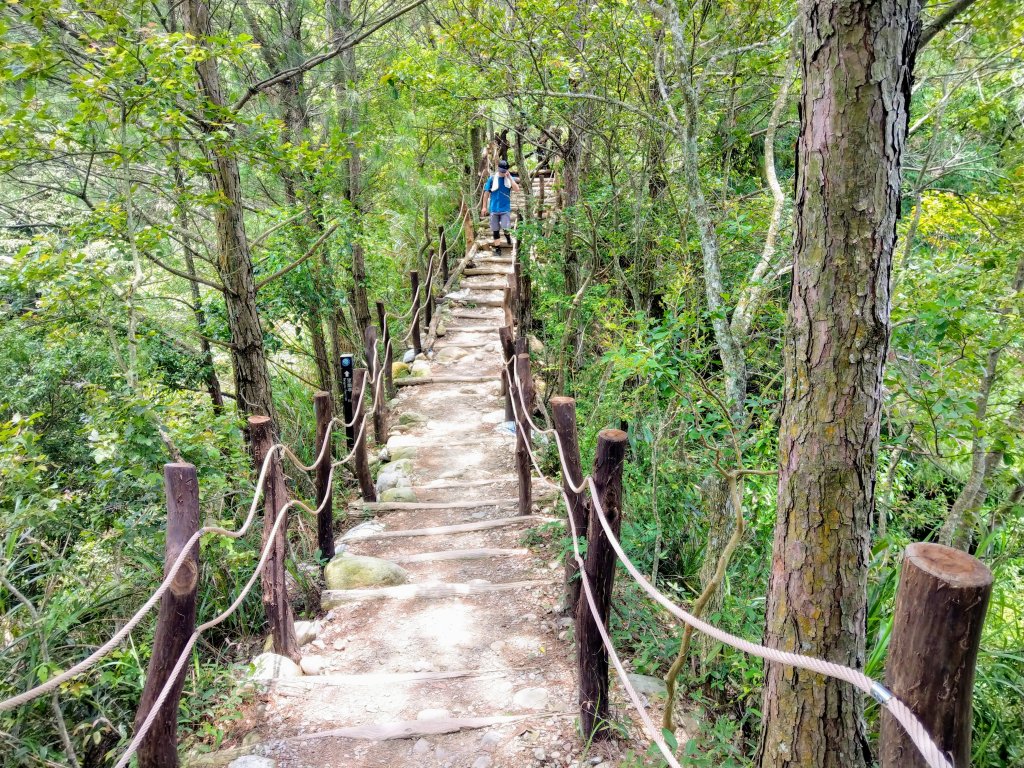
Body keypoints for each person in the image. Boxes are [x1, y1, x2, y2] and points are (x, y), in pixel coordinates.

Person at [480, 159, 520, 247]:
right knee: (495, 230)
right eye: (501, 171)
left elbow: (517, 189)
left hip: (505, 209)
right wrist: (484, 207)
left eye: (504, 171)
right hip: (494, 209)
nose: (502, 173)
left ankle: (508, 237)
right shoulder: (492, 179)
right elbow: (486, 193)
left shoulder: (509, 179)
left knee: (506, 228)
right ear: (498, 169)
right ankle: (497, 248)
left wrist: (509, 177)